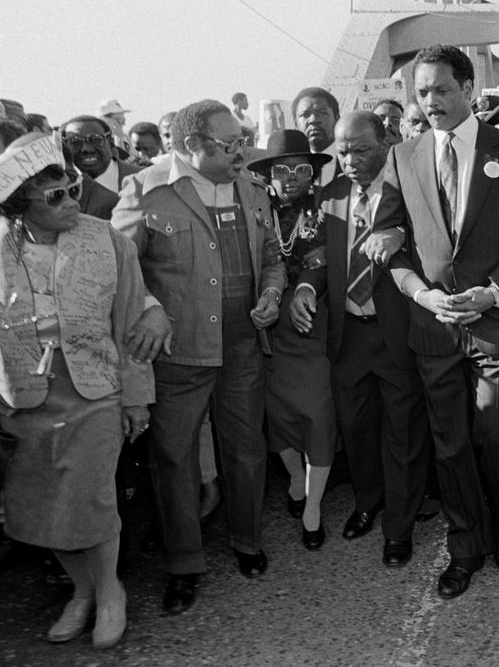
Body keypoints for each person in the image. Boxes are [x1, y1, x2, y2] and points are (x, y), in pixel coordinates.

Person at [363, 45, 499, 599]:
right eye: (422, 93)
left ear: (468, 88)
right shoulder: (403, 156)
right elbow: (391, 247)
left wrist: (492, 293)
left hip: (495, 321)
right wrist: (423, 297)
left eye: (442, 89)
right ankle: (467, 545)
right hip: (434, 326)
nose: (432, 101)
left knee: (496, 428)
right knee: (450, 441)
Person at [112, 99, 284, 614]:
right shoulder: (146, 190)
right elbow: (119, 271)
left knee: (246, 449)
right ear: (192, 147)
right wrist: (148, 308)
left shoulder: (252, 188)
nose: (241, 151)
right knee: (174, 458)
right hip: (178, 353)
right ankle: (184, 563)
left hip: (242, 347)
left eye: (242, 141)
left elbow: (272, 255)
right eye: (230, 144)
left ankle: (247, 541)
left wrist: (273, 291)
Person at [0, 133, 153, 649]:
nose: (71, 200)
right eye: (54, 195)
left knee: (91, 500)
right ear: (20, 206)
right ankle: (80, 592)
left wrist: (135, 397)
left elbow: (132, 319)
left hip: (95, 389)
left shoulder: (108, 240)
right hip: (24, 394)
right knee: (41, 505)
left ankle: (108, 594)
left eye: (71, 185)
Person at [291, 111, 427, 565]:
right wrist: (308, 286)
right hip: (349, 335)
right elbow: (321, 255)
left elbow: (435, 243)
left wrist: (401, 231)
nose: (349, 160)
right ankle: (368, 503)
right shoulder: (329, 195)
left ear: (386, 143)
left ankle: (399, 528)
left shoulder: (410, 187)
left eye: (360, 149)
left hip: (397, 335)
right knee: (359, 432)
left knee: (403, 435)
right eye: (342, 151)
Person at [245, 129, 337, 550]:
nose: (293, 176)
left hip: (309, 323)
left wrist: (306, 287)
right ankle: (296, 481)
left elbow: (324, 261)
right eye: (283, 169)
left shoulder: (326, 209)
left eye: (303, 169)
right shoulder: (254, 211)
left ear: (314, 174)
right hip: (265, 326)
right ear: (268, 175)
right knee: (277, 414)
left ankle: (314, 506)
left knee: (316, 413)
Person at [62, 115, 142, 193]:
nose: (87, 149)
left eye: (96, 139)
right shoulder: (63, 188)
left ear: (111, 142)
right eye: (75, 141)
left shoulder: (143, 178)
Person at [293, 87, 340, 184]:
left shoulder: (351, 161)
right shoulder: (292, 169)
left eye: (322, 113)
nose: (313, 120)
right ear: (296, 124)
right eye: (305, 115)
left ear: (337, 118)